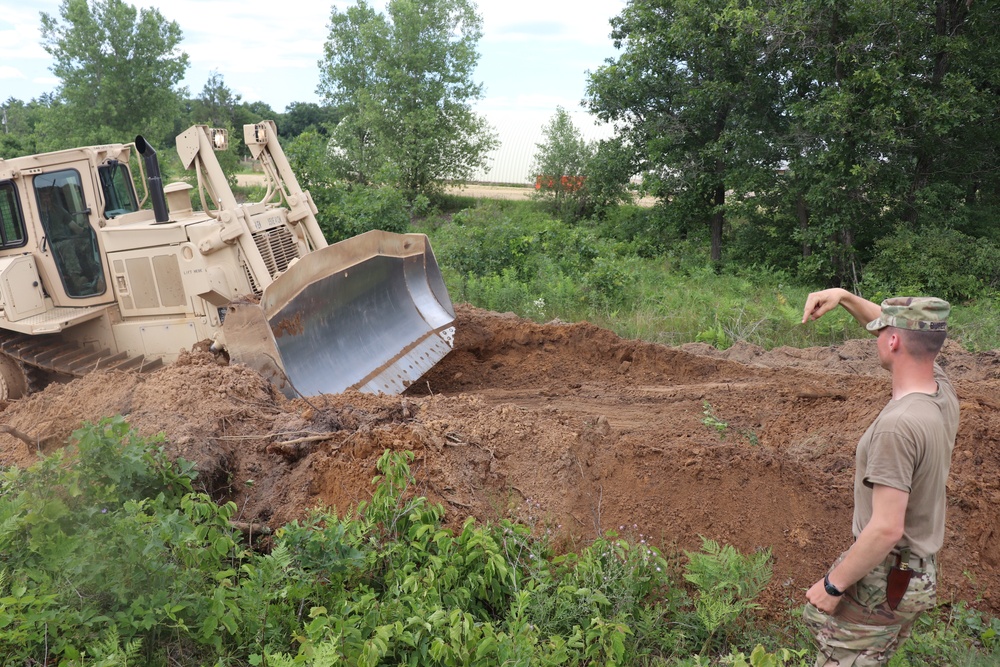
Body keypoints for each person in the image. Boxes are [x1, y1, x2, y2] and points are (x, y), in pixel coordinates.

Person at [800, 289, 959, 666]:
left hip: (882, 578)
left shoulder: (897, 427)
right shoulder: (941, 392)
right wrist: (843, 297)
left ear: (893, 341)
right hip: (916, 575)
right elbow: (906, 332)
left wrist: (832, 585)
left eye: (884, 331)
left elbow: (886, 527)